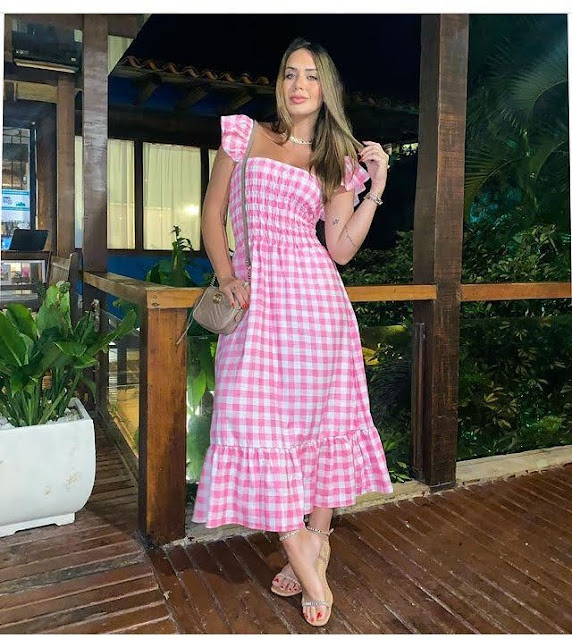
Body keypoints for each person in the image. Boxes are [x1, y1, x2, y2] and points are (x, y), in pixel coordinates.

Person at [192, 36, 393, 627]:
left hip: (317, 308)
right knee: (253, 418)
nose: (298, 84)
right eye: (289, 73)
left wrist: (376, 188)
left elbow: (339, 249)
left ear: (326, 89)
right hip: (257, 305)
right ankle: (298, 543)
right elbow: (212, 213)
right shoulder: (246, 134)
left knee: (324, 421)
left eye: (310, 75)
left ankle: (318, 540)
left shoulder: (335, 162)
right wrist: (226, 273)